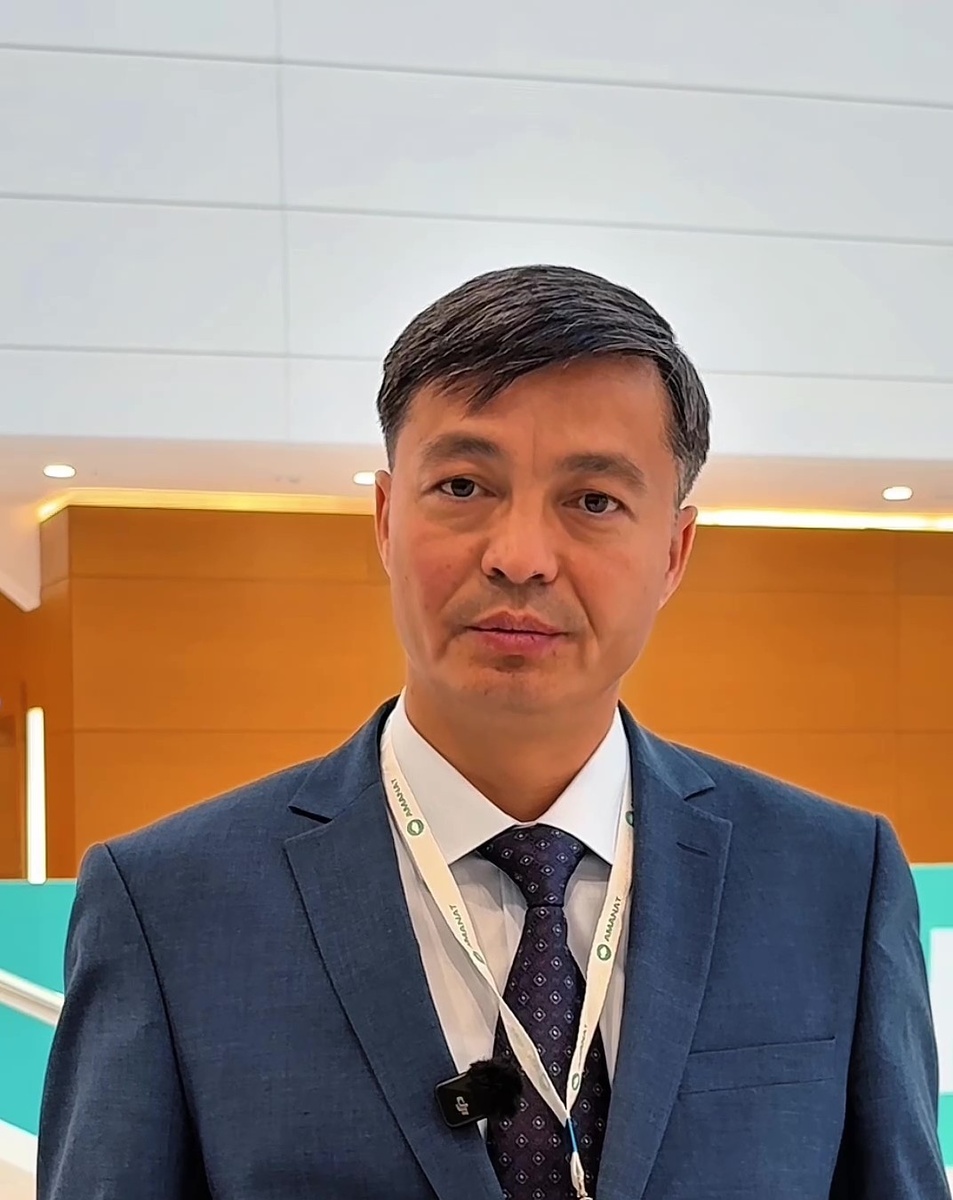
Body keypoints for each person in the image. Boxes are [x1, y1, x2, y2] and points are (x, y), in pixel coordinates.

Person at [38, 265, 948, 1200]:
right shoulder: (169, 905)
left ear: (673, 553)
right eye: (464, 485)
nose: (519, 557)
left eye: (592, 501)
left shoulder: (832, 881)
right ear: (386, 519)